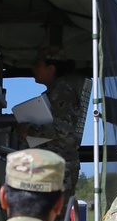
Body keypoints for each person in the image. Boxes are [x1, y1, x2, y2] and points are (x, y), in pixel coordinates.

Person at [18, 49, 88, 197]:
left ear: (51, 68)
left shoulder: (63, 91)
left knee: (53, 217)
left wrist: (28, 131)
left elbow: (61, 129)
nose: (33, 69)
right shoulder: (55, 91)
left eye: (38, 65)